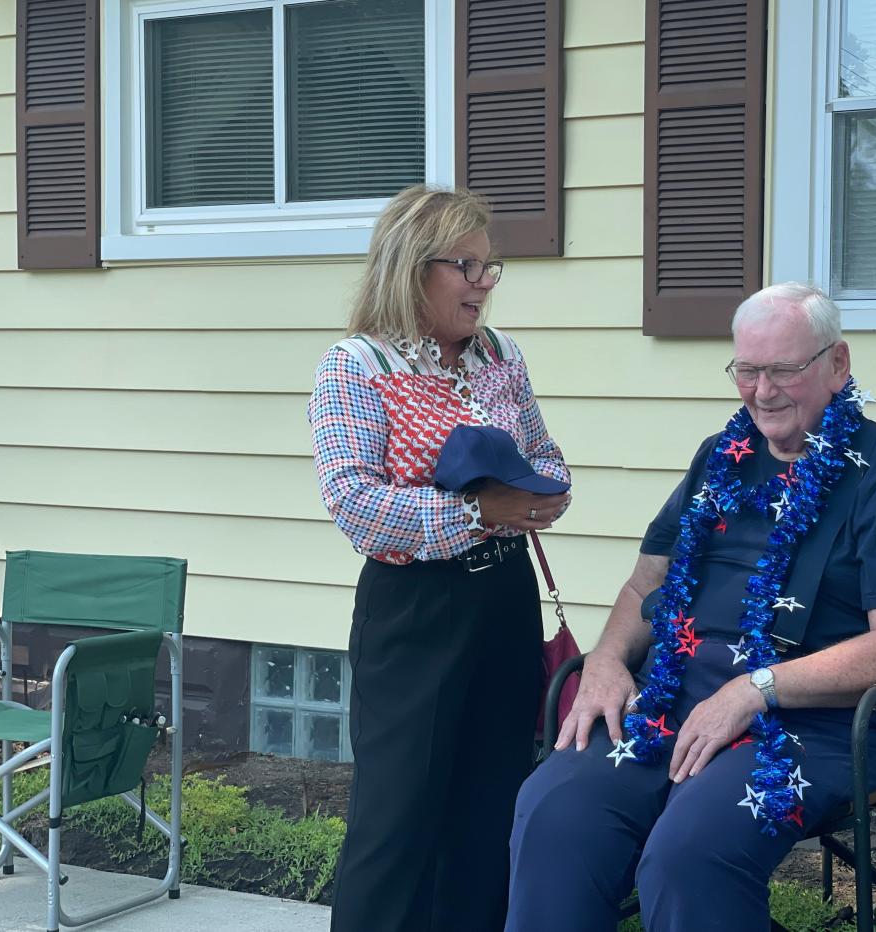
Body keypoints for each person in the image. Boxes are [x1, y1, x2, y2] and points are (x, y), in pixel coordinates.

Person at [506, 282, 876, 931]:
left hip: (813, 726)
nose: (762, 390)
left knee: (690, 854)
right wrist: (608, 660)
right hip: (671, 703)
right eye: (746, 371)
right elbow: (644, 587)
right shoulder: (721, 459)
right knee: (554, 811)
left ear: (838, 364)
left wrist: (756, 690)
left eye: (784, 370)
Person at [307, 184, 571, 932]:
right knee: (397, 818)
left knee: (491, 807)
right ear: (411, 267)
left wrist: (546, 492)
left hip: (504, 598)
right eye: (468, 267)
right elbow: (354, 502)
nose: (485, 285)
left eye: (491, 269)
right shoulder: (355, 366)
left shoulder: (500, 357)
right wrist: (477, 510)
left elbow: (545, 453)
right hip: (414, 608)